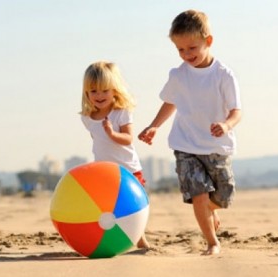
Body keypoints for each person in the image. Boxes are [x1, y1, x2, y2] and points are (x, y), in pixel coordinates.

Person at [138, 10, 242, 255]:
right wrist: (154, 125)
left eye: (192, 48)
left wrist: (226, 125)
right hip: (185, 145)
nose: (187, 55)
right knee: (199, 194)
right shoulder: (178, 75)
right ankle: (212, 242)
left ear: (209, 41)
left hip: (217, 147)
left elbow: (237, 111)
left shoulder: (223, 75)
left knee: (225, 195)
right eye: (180, 50)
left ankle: (210, 210)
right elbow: (170, 102)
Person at [80, 61, 150, 249]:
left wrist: (112, 134)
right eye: (93, 91)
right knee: (108, 208)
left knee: (133, 206)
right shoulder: (87, 118)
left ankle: (140, 239)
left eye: (104, 90)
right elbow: (97, 141)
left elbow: (128, 138)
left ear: (115, 91)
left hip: (128, 169)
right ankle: (108, 239)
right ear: (86, 93)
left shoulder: (121, 113)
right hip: (105, 172)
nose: (99, 96)